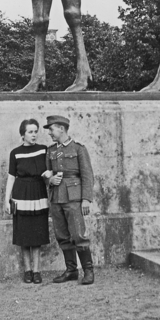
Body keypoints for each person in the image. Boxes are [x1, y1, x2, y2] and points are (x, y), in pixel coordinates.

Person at [43, 115, 95, 285]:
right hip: (56, 196)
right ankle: (71, 270)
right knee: (62, 235)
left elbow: (87, 175)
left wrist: (86, 199)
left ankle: (88, 271)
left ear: (61, 129)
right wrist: (49, 181)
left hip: (74, 197)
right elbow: (47, 173)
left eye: (51, 129)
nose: (49, 133)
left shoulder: (78, 148)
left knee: (78, 234)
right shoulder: (50, 150)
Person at [4, 119, 50, 284]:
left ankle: (37, 271)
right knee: (24, 234)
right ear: (22, 134)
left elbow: (49, 172)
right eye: (30, 132)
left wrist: (49, 176)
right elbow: (11, 177)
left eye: (35, 131)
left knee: (37, 234)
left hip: (38, 193)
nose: (34, 135)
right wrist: (6, 200)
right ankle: (27, 271)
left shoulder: (43, 150)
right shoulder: (15, 153)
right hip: (21, 193)